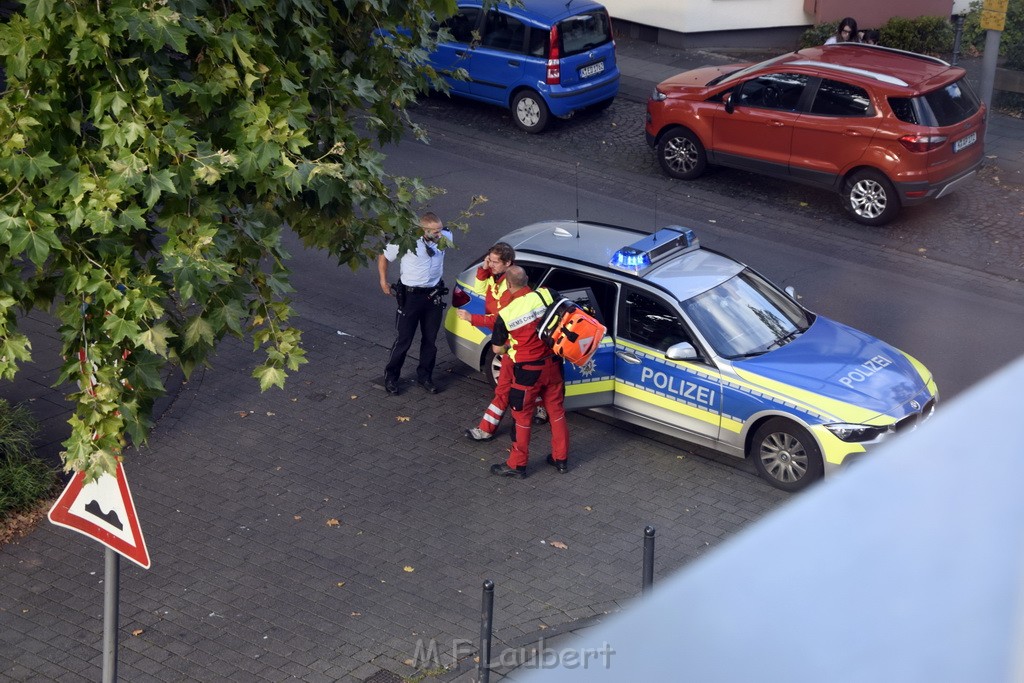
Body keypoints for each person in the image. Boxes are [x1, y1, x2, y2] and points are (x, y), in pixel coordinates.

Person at [487, 266, 569, 478]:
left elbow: (497, 349)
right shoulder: (546, 294)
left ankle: (517, 465)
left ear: (508, 284)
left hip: (527, 373)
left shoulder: (505, 315)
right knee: (556, 412)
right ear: (528, 280)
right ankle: (561, 459)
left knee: (522, 417)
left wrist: (510, 347)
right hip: (553, 364)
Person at [378, 212, 451, 396]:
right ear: (423, 230)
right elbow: (384, 256)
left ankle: (425, 377)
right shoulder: (406, 240)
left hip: (433, 296)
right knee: (404, 340)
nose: (439, 235)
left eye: (440, 230)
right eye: (435, 232)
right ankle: (391, 377)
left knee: (430, 340)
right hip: (411, 297)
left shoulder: (446, 236)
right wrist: (383, 280)